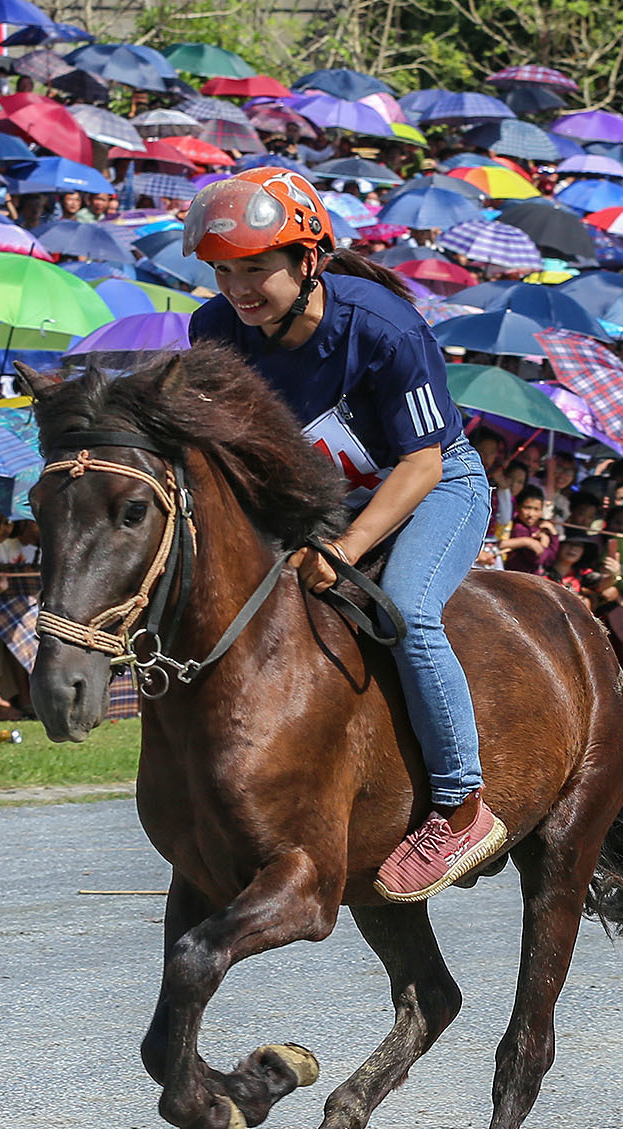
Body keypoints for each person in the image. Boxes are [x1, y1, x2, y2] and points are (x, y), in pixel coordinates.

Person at [185, 166, 505, 900]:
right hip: (321, 500)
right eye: (222, 271)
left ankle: (461, 809)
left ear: (309, 260)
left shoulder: (387, 327)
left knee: (411, 611)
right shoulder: (213, 330)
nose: (237, 289)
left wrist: (347, 548)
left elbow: (422, 461)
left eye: (255, 269)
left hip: (432, 485)